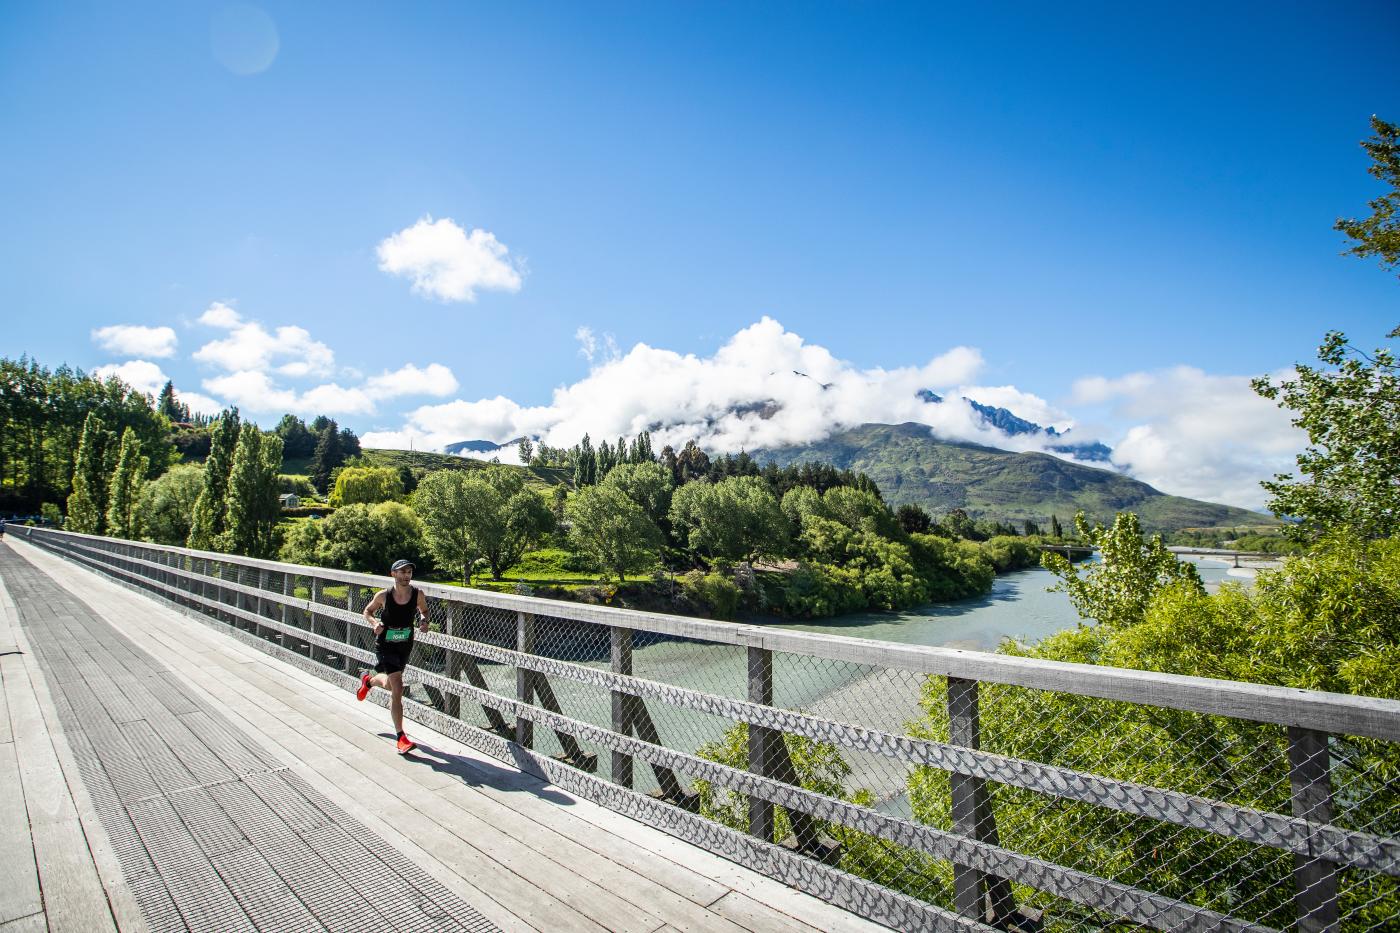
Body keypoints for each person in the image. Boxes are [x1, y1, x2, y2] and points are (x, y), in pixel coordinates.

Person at [356, 558, 429, 753]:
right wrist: (374, 624)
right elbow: (368, 611)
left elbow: (424, 610)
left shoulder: (417, 594)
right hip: (386, 644)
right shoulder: (384, 595)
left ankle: (369, 682)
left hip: (405, 643)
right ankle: (401, 737)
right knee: (398, 686)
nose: (406, 576)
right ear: (393, 574)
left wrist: (423, 621)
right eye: (402, 572)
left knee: (390, 685)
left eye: (409, 572)